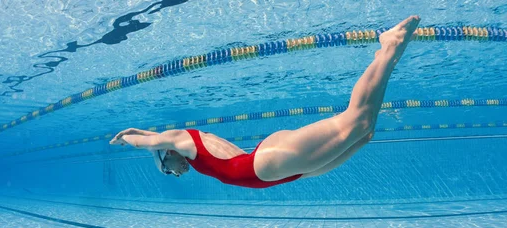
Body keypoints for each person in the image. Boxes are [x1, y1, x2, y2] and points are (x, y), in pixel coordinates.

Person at [110, 16, 421, 188]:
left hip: (266, 164)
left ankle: (388, 48)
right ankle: (385, 56)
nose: (175, 174)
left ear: (167, 156)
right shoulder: (188, 151)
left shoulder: (183, 141)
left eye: (168, 172)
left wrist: (126, 138)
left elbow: (150, 142)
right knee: (364, 135)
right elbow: (152, 139)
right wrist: (137, 132)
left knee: (358, 122)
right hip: (280, 169)